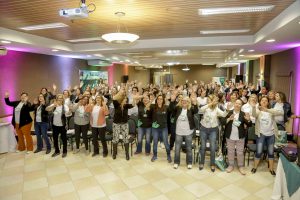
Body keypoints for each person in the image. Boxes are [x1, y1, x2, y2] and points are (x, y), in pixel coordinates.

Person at [251, 96, 283, 175]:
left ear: (268, 102)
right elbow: (254, 114)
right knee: (259, 151)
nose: (264, 102)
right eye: (262, 100)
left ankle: (271, 169)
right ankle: (255, 167)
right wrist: (254, 107)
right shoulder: (258, 111)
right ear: (260, 102)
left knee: (271, 152)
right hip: (261, 134)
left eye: (266, 100)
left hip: (271, 135)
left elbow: (281, 112)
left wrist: (267, 110)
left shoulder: (271, 111)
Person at [198, 94, 228, 172]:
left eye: (210, 100)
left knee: (213, 147)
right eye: (208, 100)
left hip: (213, 130)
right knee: (203, 146)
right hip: (203, 129)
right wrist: (210, 104)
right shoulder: (206, 107)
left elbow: (224, 114)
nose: (208, 101)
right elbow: (200, 110)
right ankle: (201, 163)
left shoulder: (216, 108)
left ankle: (212, 164)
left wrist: (227, 109)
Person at [224, 99, 251, 175]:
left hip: (240, 136)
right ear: (234, 104)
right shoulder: (229, 112)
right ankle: (231, 165)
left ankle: (241, 166)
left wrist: (248, 120)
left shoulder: (243, 114)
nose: (237, 105)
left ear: (241, 105)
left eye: (239, 104)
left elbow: (249, 125)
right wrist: (229, 119)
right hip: (230, 136)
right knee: (230, 152)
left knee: (240, 152)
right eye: (236, 103)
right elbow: (222, 121)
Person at [170, 95, 198, 169]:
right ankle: (176, 162)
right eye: (183, 101)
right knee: (177, 148)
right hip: (178, 132)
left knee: (188, 148)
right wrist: (172, 101)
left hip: (188, 132)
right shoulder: (178, 108)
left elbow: (196, 111)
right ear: (181, 102)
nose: (184, 102)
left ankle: (189, 162)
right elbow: (171, 109)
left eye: (186, 101)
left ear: (188, 102)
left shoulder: (191, 109)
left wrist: (195, 103)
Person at [112, 90, 136, 160]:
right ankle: (114, 153)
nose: (126, 100)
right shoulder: (116, 104)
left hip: (124, 124)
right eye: (125, 98)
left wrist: (134, 98)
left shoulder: (126, 106)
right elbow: (114, 98)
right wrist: (120, 92)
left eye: (126, 99)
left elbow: (133, 105)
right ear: (121, 99)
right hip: (116, 124)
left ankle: (127, 154)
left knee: (126, 139)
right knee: (115, 139)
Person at [151, 94, 172, 163]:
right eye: (158, 99)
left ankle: (168, 155)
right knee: (155, 142)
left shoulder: (166, 107)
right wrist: (151, 100)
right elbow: (146, 108)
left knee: (166, 142)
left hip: (164, 128)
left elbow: (173, 110)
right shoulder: (153, 106)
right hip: (155, 128)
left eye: (161, 99)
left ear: (163, 100)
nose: (159, 100)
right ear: (156, 100)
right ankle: (155, 155)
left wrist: (171, 100)